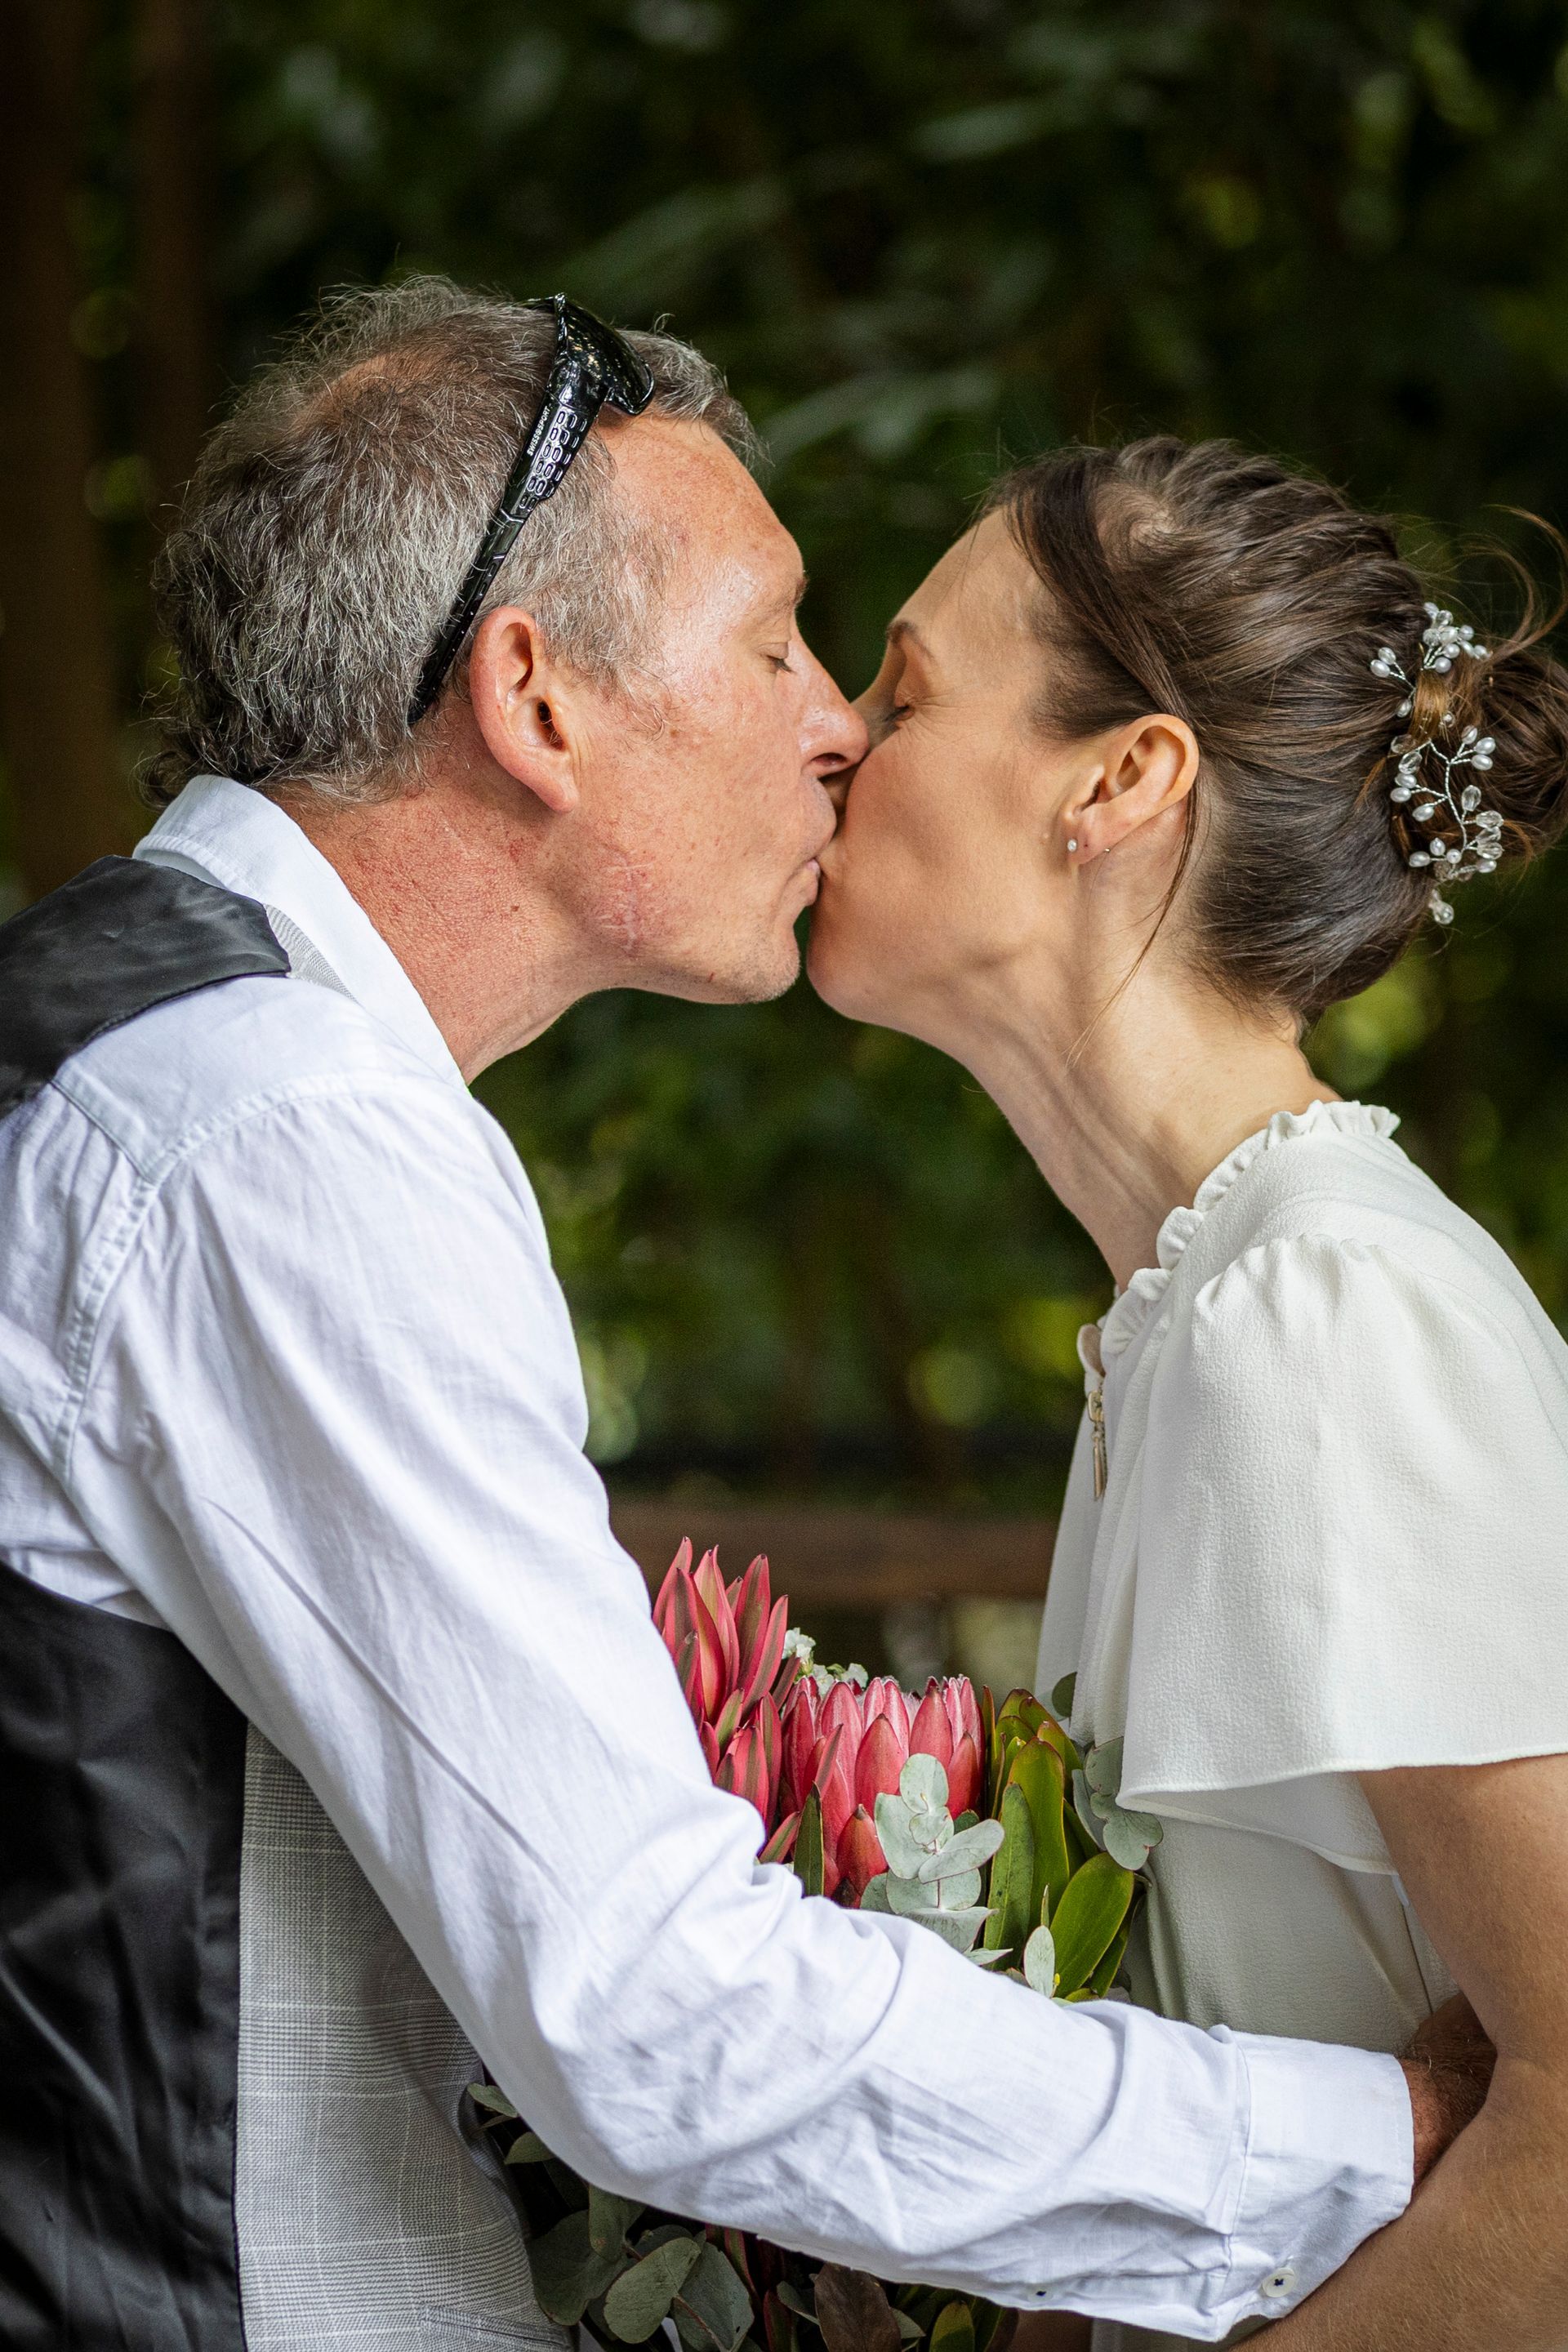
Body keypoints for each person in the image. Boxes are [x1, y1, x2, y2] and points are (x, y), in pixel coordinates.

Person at [0, 287, 1478, 2352]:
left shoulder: (131, 1040)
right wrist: (1363, 2148)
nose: (837, 730)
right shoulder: (279, 1131)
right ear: (537, 702)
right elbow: (648, 2003)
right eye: (782, 640)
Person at [808, 434, 1568, 2351]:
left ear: (1122, 782)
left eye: (903, 687)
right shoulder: (1195, 1316)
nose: (829, 733)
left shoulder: (1322, 1309)